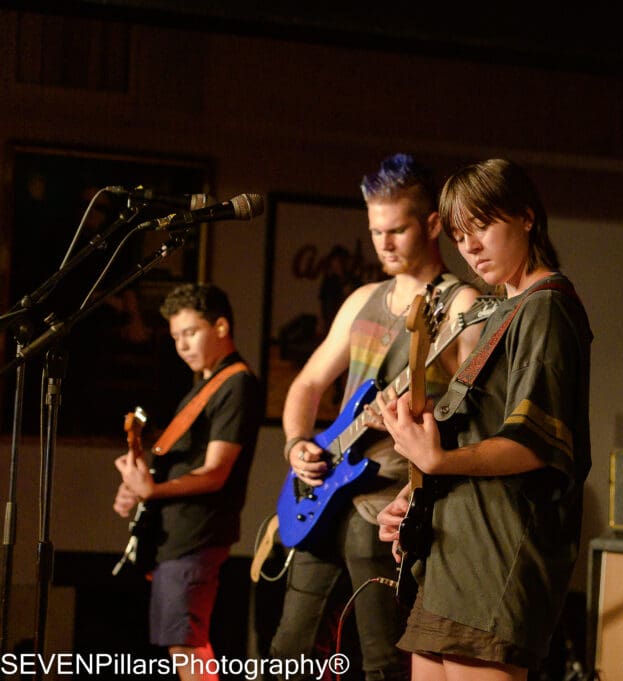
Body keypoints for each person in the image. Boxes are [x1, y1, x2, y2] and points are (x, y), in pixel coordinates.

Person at [376, 158, 593, 681]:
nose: (470, 248)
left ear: (525, 217)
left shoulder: (547, 308)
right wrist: (417, 492)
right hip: (453, 555)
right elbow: (478, 430)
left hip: (496, 561)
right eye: (459, 235)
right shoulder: (501, 309)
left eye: (482, 228)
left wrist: (440, 459)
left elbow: (532, 443)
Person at [270, 153, 481, 681]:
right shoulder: (364, 299)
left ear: (432, 224)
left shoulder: (462, 306)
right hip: (324, 495)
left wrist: (420, 416)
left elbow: (476, 413)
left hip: (389, 502)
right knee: (288, 653)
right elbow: (308, 383)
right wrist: (298, 443)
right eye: (374, 230)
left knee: (381, 662)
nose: (382, 243)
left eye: (397, 230)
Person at [113, 283, 263, 681]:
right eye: (176, 336)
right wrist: (139, 485)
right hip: (176, 534)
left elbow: (215, 472)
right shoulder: (205, 385)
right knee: (182, 643)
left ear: (220, 327)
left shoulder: (237, 384)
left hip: (197, 533)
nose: (182, 345)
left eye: (190, 332)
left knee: (188, 643)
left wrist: (153, 490)